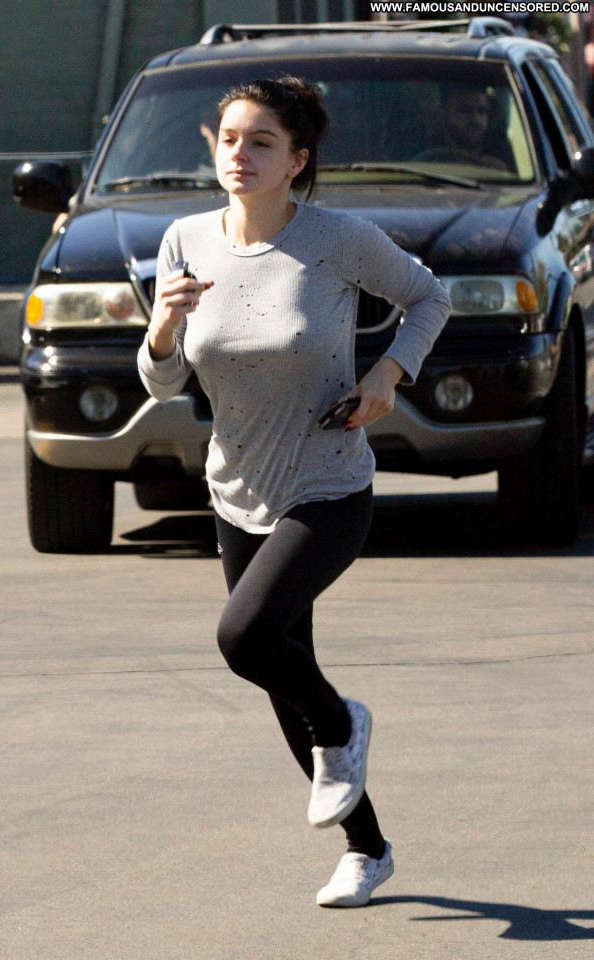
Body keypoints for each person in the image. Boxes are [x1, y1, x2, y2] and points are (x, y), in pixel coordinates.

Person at [137, 76, 451, 908]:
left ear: (297, 160)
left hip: (327, 483)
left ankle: (344, 722)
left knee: (244, 637)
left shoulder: (337, 239)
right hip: (236, 486)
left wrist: (388, 374)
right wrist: (162, 328)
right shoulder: (185, 240)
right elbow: (163, 379)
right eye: (229, 138)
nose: (239, 154)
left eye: (261, 142)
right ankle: (367, 848)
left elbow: (429, 296)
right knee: (285, 674)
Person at [413, 84, 509, 171]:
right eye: (465, 110)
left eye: (482, 111)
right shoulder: (424, 164)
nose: (475, 118)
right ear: (443, 115)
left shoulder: (506, 159)